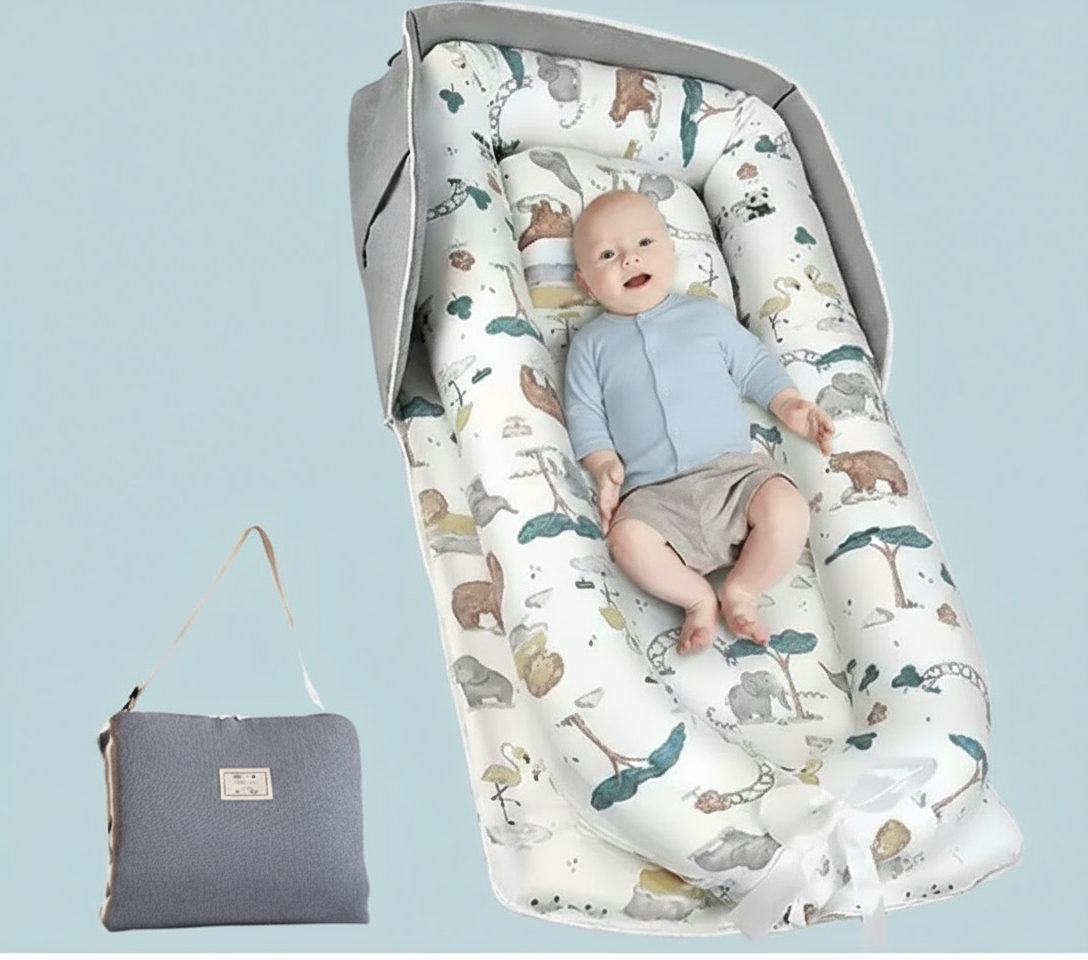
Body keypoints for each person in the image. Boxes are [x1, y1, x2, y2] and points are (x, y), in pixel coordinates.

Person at [563, 189, 835, 653]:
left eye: (644, 244)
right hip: (653, 498)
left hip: (734, 478)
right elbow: (583, 411)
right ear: (586, 283)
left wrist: (790, 405)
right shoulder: (591, 345)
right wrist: (604, 466)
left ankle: (742, 588)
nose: (629, 259)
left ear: (670, 250)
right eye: (608, 255)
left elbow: (753, 366)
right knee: (626, 540)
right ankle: (695, 598)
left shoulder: (704, 316)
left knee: (787, 507)